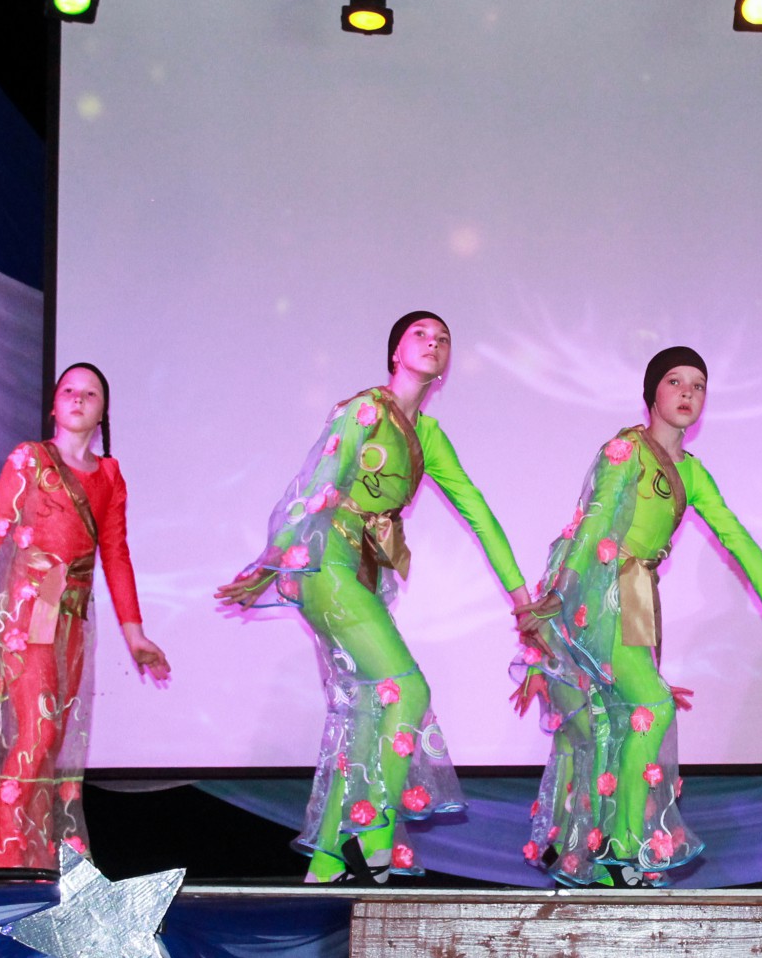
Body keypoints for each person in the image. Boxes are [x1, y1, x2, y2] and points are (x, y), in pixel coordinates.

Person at [216, 312, 530, 883]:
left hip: (362, 573)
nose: (433, 343)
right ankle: (372, 827)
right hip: (326, 563)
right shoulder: (364, 410)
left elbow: (478, 514)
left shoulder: (428, 437)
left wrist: (521, 598)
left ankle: (327, 859)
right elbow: (315, 486)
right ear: (395, 353)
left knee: (365, 713)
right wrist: (269, 564)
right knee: (408, 689)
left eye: (443, 339)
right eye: (421, 336)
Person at [512, 346, 762, 886]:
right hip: (599, 591)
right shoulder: (626, 450)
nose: (687, 392)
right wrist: (561, 592)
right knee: (652, 705)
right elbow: (594, 522)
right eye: (675, 381)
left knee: (621, 720)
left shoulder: (692, 472)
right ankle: (623, 844)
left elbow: (735, 536)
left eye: (698, 385)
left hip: (637, 596)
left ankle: (596, 848)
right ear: (651, 393)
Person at [0, 363, 169, 868]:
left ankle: (33, 851)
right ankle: (7, 852)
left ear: (102, 412)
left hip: (73, 620)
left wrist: (136, 636)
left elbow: (115, 555)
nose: (78, 398)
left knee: (54, 743)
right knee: (38, 730)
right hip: (30, 613)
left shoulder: (109, 476)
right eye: (69, 390)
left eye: (90, 393)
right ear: (53, 405)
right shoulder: (29, 459)